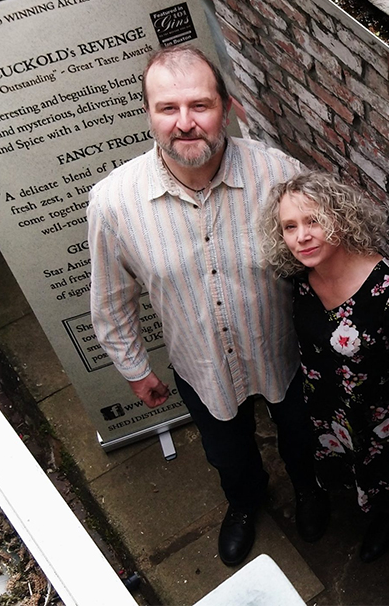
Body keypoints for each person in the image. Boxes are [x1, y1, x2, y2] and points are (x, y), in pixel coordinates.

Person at [87, 46, 329, 568]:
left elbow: (328, 252)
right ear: (149, 114)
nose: (185, 123)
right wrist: (134, 368)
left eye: (200, 105)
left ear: (228, 106)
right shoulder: (113, 203)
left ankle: (310, 490)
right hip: (200, 363)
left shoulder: (279, 176)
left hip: (283, 352)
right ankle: (245, 504)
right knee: (227, 455)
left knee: (304, 437)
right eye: (167, 109)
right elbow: (110, 298)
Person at [262, 171, 389, 600]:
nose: (301, 237)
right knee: (368, 487)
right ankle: (385, 522)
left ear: (341, 218)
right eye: (290, 227)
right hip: (338, 418)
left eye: (312, 221)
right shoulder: (301, 280)